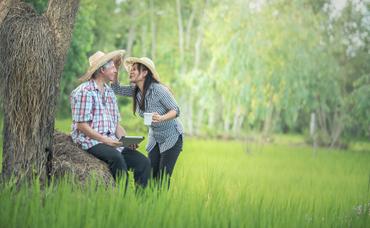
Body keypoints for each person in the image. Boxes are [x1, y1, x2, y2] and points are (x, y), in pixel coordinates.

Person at [70, 50, 150, 188]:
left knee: (143, 163)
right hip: (90, 141)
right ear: (102, 70)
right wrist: (105, 140)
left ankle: (140, 204)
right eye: (112, 67)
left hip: (111, 141)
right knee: (117, 159)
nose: (115, 71)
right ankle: (121, 200)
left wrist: (126, 141)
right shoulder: (84, 92)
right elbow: (81, 126)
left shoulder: (109, 92)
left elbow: (116, 125)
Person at [111, 57, 184, 188]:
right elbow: (116, 89)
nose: (130, 72)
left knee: (162, 179)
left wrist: (161, 118)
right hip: (154, 137)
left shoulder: (158, 90)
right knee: (149, 175)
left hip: (171, 136)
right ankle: (147, 205)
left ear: (144, 72)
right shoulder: (136, 91)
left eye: (134, 69)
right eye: (130, 69)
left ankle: (160, 206)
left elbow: (175, 110)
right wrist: (116, 68)